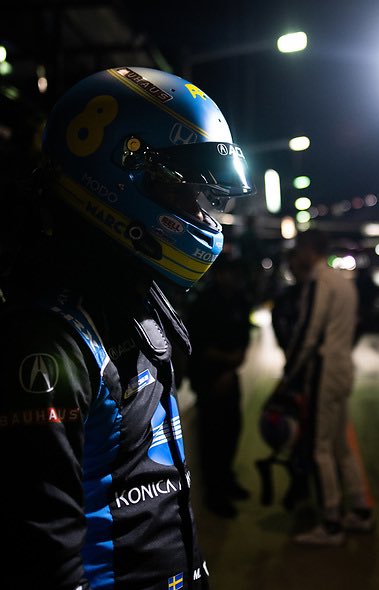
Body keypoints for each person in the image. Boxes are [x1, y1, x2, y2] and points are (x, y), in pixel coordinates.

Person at [0, 66, 254, 589]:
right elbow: (42, 562)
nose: (202, 214)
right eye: (187, 192)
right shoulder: (53, 340)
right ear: (122, 171)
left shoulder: (133, 298)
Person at [281, 228, 374, 547]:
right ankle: (360, 511)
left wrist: (288, 373)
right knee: (340, 446)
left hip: (324, 370)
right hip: (344, 368)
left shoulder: (319, 282)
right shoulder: (343, 282)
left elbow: (308, 333)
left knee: (320, 448)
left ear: (309, 250)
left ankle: (331, 523)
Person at [186, 253, 252, 518]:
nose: (233, 278)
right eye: (229, 273)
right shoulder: (204, 302)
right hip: (207, 378)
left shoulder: (238, 300)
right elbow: (198, 345)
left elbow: (244, 337)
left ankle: (227, 479)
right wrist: (228, 363)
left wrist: (234, 363)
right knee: (211, 438)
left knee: (232, 430)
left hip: (229, 375)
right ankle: (214, 494)